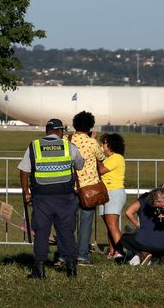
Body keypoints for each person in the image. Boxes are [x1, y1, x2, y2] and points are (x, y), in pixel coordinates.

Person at [19, 118, 85, 279]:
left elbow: (24, 171)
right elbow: (80, 165)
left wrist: (26, 192)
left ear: (47, 131)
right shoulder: (69, 146)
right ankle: (71, 268)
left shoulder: (34, 146)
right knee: (66, 232)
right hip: (66, 198)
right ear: (61, 131)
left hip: (42, 198)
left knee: (41, 232)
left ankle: (39, 269)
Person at [68, 110, 105, 266]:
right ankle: (82, 255)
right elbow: (101, 158)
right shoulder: (92, 143)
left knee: (68, 223)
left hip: (70, 187)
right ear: (90, 126)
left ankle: (66, 254)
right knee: (86, 223)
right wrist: (93, 139)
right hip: (89, 189)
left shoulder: (66, 139)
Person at [120, 192, 164, 265]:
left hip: (148, 240)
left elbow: (128, 212)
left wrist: (138, 224)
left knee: (124, 238)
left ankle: (145, 253)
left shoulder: (142, 201)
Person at [97, 133, 126, 259]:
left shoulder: (117, 158)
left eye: (104, 143)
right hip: (105, 193)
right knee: (109, 225)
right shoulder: (107, 158)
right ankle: (112, 251)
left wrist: (97, 158)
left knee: (112, 224)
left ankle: (121, 252)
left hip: (114, 192)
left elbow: (101, 170)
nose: (102, 145)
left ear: (110, 145)